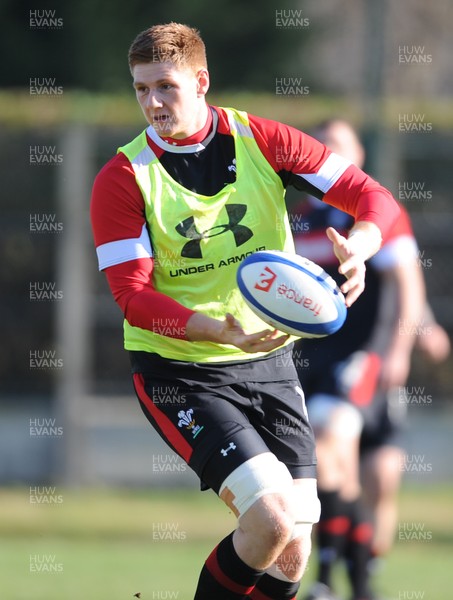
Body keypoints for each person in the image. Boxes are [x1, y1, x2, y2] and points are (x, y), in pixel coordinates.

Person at [90, 24, 400, 600]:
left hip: (270, 364)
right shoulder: (123, 178)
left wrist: (362, 243)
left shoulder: (263, 140)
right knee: (271, 519)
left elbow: (370, 195)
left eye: (166, 86)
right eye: (140, 89)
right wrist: (212, 329)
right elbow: (131, 296)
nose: (153, 102)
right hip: (179, 369)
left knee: (292, 552)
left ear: (201, 81)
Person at [290, 119, 450, 600]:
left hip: (369, 357)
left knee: (381, 476)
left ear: (358, 153)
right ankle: (330, 578)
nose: (332, 154)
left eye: (341, 145)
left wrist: (402, 345)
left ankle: (361, 572)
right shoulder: (296, 220)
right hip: (318, 363)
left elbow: (406, 284)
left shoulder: (375, 211)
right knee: (330, 456)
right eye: (323, 147)